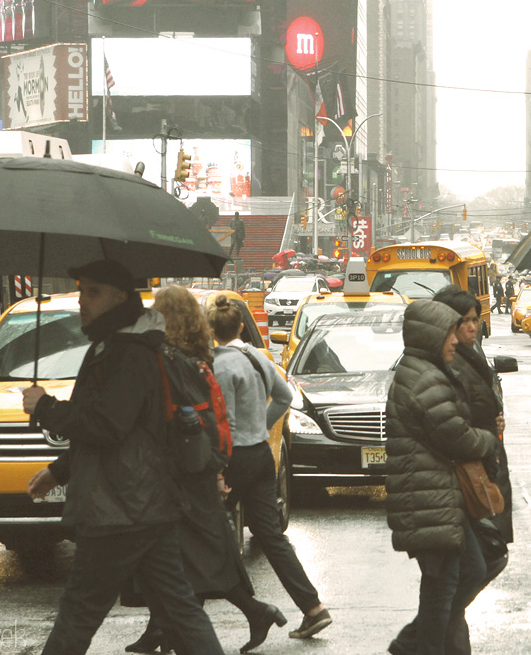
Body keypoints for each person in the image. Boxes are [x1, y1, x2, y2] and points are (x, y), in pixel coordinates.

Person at [22, 260, 222, 655]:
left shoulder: (127, 352)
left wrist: (45, 406)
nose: (82, 301)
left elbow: (107, 425)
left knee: (79, 611)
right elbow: (126, 433)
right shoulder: (115, 345)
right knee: (180, 611)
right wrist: (59, 470)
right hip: (144, 502)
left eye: (93, 292)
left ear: (121, 297)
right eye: (81, 290)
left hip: (120, 507)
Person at [120, 287, 286, 654]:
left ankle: (174, 631)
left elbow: (191, 423)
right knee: (197, 559)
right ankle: (177, 628)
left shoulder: (172, 362)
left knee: (184, 561)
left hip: (182, 476)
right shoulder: (199, 359)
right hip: (200, 472)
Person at [205, 294, 332, 640]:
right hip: (261, 453)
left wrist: (219, 470)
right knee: (271, 537)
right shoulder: (258, 358)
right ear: (242, 326)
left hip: (235, 458)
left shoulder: (220, 366)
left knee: (203, 533)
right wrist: (260, 425)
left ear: (211, 330)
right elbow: (286, 397)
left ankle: (173, 621)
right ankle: (313, 607)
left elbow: (223, 423)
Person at [386, 301, 497, 655]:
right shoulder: (424, 379)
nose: (456, 340)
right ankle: (419, 646)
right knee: (440, 586)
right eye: (450, 332)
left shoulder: (427, 371)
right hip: (426, 498)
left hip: (438, 496)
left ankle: (412, 643)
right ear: (432, 336)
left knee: (471, 569)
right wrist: (488, 439)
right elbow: (457, 436)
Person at [430, 285, 512, 654]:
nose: (472, 327)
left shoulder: (471, 355)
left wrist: (494, 421)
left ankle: (428, 637)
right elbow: (455, 424)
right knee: (476, 565)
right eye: (465, 321)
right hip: (462, 477)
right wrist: (485, 432)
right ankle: (417, 636)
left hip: (481, 468)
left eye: (476, 320)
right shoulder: (447, 363)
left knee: (457, 577)